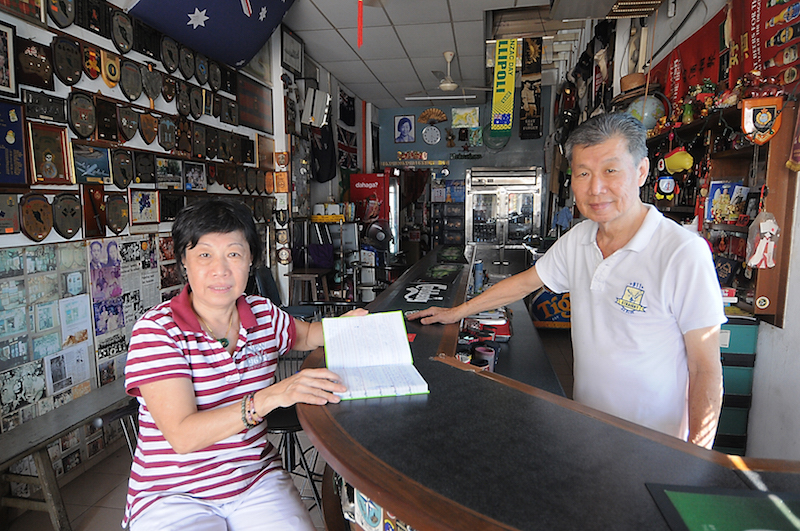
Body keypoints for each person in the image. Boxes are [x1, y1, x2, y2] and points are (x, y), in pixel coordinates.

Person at [410, 113, 726, 448]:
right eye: (583, 173)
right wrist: (458, 312)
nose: (595, 188)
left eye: (610, 170)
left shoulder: (682, 252)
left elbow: (705, 367)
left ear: (642, 171)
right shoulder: (581, 238)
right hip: (586, 426)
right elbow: (524, 283)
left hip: (653, 442)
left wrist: (697, 454)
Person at [123, 198, 366, 530]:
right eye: (204, 254)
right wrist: (270, 397)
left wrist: (348, 325)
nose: (220, 270)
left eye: (234, 254)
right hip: (172, 494)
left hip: (254, 478)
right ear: (184, 261)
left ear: (251, 259)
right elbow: (183, 436)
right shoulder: (157, 331)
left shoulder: (263, 314)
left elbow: (307, 336)